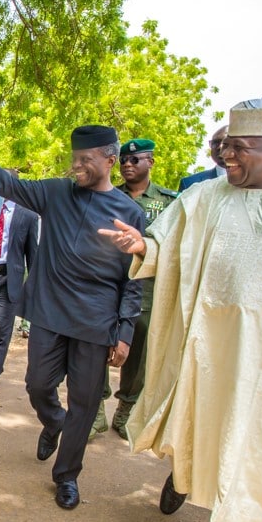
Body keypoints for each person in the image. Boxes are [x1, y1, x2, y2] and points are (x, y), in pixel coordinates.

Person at [100, 97, 262, 522]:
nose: (227, 156)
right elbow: (166, 242)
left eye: (240, 148)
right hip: (208, 349)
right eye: (226, 147)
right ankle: (185, 475)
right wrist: (143, 246)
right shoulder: (205, 197)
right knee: (200, 427)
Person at [0, 101, 144, 510]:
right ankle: (53, 422)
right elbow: (5, 184)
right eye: (74, 157)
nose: (76, 165)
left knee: (85, 402)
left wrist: (125, 331)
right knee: (38, 385)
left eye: (85, 159)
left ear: (109, 160)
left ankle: (67, 475)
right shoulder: (55, 192)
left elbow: (134, 277)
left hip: (96, 320)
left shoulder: (129, 212)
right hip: (49, 311)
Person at [91, 138, 177, 439]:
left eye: (135, 160)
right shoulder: (107, 196)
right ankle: (95, 411)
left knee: (138, 352)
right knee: (96, 344)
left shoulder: (169, 201)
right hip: (109, 284)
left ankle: (126, 410)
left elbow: (172, 245)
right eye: (124, 161)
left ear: (150, 162)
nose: (128, 165)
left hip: (147, 287)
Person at [0, 198, 39, 408]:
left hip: (9, 280)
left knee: (1, 334)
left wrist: (33, 290)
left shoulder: (28, 215)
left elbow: (32, 255)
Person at [178, 125, 228, 192]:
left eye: (225, 142)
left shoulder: (243, 183)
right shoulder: (189, 183)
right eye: (215, 143)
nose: (219, 147)